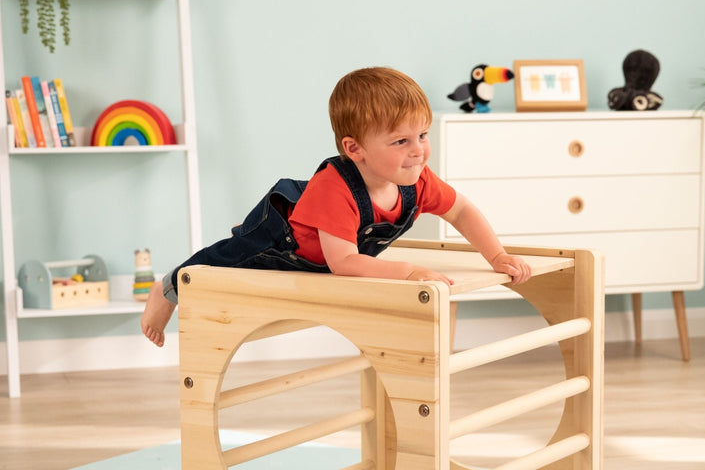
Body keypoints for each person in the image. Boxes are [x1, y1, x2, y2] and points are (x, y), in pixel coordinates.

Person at [141, 67, 532, 347]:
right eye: (401, 141)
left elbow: (461, 211)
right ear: (354, 148)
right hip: (281, 241)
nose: (418, 151)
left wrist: (496, 255)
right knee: (219, 263)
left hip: (329, 250)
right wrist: (408, 271)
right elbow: (343, 263)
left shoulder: (417, 179)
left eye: (423, 135)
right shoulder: (334, 188)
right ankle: (167, 289)